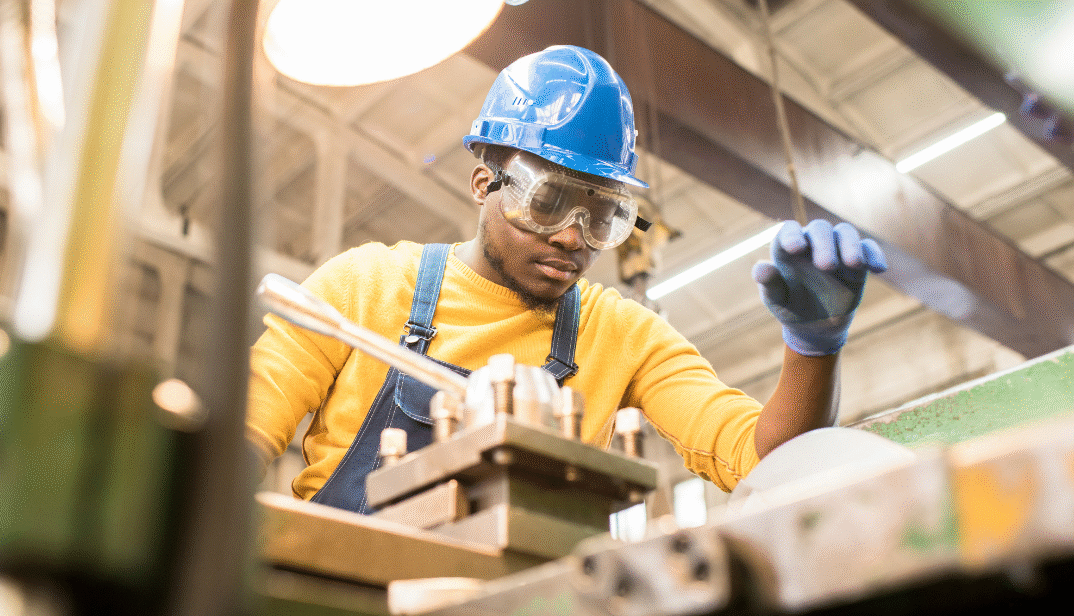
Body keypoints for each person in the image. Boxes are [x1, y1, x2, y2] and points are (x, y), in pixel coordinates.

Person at [246, 45, 886, 514]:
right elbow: (241, 437)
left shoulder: (624, 335)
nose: (574, 237)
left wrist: (812, 351)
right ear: (483, 182)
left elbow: (761, 460)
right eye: (548, 201)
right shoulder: (360, 289)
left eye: (604, 215)